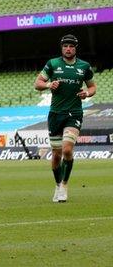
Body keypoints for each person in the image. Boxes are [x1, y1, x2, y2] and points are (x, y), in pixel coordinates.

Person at [34, 34, 96, 203]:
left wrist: (87, 93)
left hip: (74, 113)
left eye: (71, 46)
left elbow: (92, 87)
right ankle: (57, 184)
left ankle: (64, 185)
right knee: (56, 155)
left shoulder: (84, 66)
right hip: (55, 114)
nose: (68, 49)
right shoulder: (53, 64)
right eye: (65, 46)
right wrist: (48, 85)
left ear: (75, 48)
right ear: (61, 48)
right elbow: (37, 83)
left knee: (67, 150)